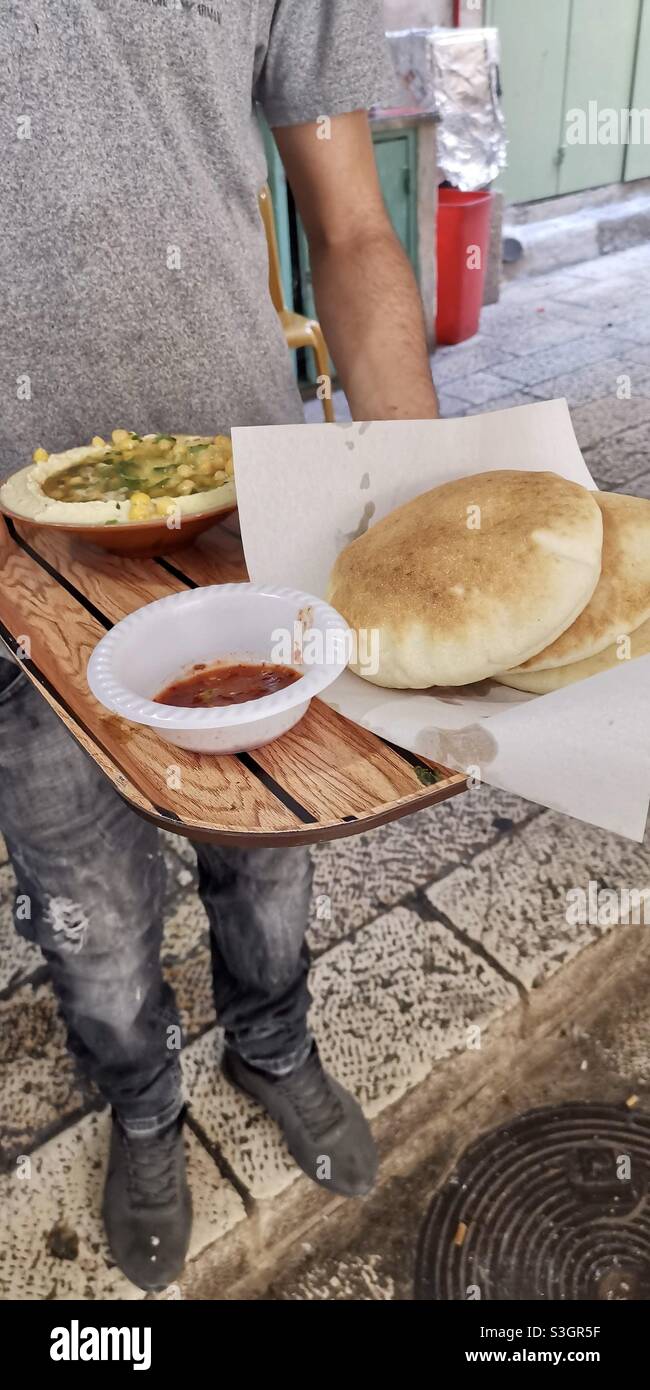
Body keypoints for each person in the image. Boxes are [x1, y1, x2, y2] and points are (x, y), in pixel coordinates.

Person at [1, 0, 439, 1291]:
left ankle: (272, 1037)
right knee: (84, 903)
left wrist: (418, 508)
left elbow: (352, 227)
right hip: (22, 567)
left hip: (244, 513)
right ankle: (142, 1100)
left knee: (268, 858)